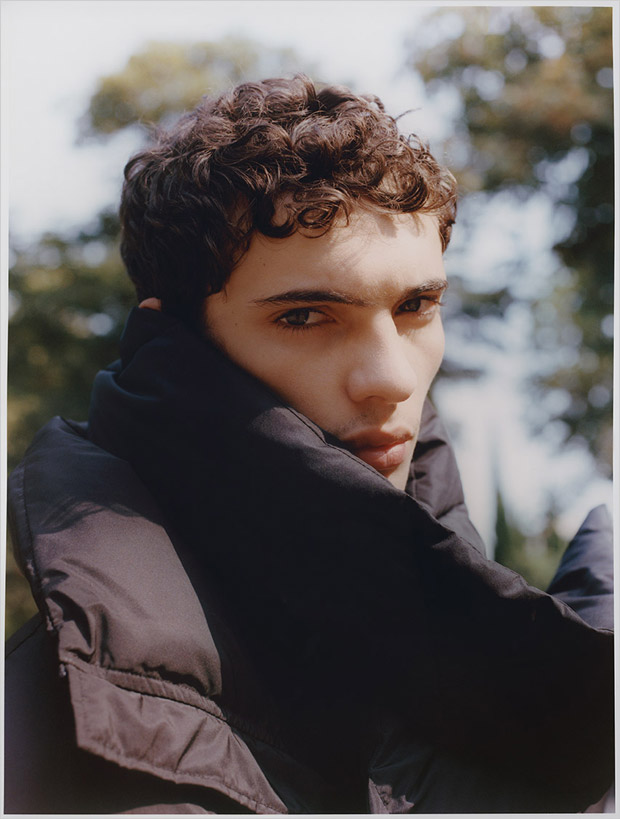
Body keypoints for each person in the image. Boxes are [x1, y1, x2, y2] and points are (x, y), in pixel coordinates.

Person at [5, 75, 614, 814]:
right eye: (303, 317)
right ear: (175, 340)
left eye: (417, 305)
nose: (391, 379)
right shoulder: (36, 736)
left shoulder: (544, 692)